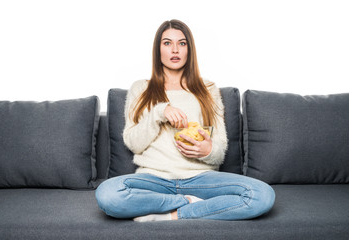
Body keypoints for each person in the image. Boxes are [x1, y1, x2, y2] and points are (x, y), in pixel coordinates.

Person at [95, 19, 275, 221]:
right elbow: (133, 144)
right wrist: (159, 112)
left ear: (189, 49)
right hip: (153, 179)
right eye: (167, 43)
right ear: (158, 50)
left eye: (182, 43)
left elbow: (220, 149)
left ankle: (173, 214)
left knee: (262, 195)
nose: (175, 50)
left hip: (201, 179)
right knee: (108, 194)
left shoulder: (208, 90)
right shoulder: (141, 89)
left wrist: (207, 150)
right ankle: (188, 202)